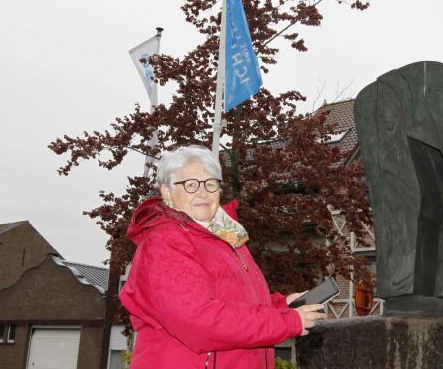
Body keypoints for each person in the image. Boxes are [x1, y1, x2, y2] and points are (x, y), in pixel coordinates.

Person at [119, 145, 326, 368]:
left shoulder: (226, 236)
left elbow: (238, 302)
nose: (202, 192)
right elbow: (198, 320)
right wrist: (286, 322)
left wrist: (282, 304)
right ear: (167, 192)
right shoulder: (162, 243)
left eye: (210, 184)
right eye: (190, 185)